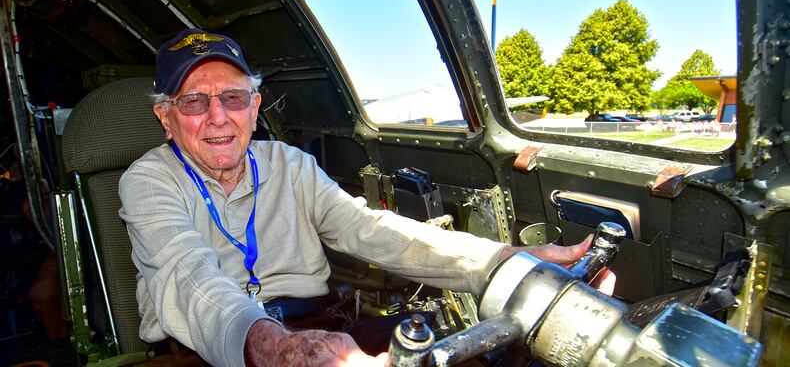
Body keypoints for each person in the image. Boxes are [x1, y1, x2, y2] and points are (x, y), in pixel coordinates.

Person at [119, 29, 612, 367]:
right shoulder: (149, 180)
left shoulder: (289, 164)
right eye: (194, 102)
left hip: (321, 329)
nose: (218, 117)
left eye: (232, 98)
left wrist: (502, 260)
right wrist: (275, 349)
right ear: (166, 117)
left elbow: (370, 230)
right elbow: (188, 277)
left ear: (254, 106)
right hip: (220, 350)